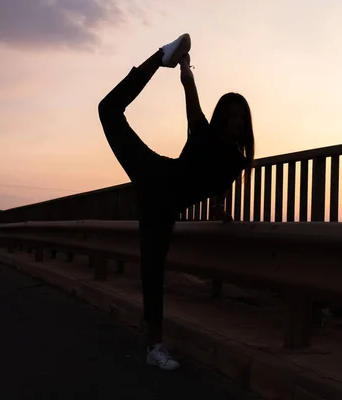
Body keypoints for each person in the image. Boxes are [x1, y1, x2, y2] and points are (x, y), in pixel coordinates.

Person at [97, 33, 255, 370]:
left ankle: (154, 346)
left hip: (164, 205)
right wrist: (180, 61)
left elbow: (221, 181)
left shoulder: (236, 162)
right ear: (222, 118)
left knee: (152, 270)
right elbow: (189, 89)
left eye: (241, 117)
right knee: (108, 110)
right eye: (231, 116)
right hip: (155, 173)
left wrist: (219, 206)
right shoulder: (203, 132)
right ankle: (158, 56)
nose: (236, 122)